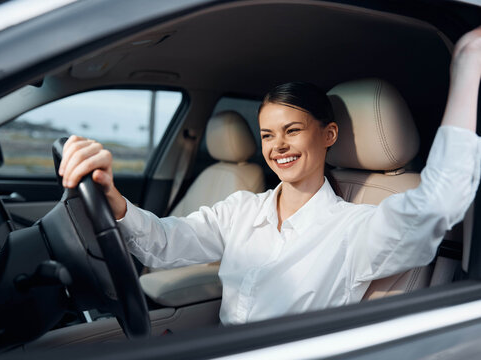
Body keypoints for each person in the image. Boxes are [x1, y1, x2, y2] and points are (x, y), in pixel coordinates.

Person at [58, 27, 481, 325]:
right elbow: (163, 244)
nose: (277, 146)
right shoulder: (242, 210)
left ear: (328, 134)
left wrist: (466, 69)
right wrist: (114, 198)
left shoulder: (357, 230)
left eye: (292, 131)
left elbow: (440, 202)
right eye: (267, 135)